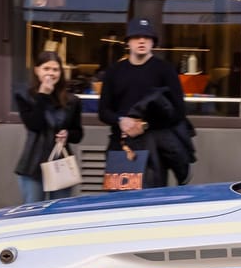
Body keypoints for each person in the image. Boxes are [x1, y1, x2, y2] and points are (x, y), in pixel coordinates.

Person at [96, 17, 186, 188]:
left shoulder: (165, 70)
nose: (142, 40)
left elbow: (179, 112)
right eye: (136, 37)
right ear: (128, 42)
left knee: (152, 205)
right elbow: (103, 111)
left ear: (153, 42)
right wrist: (121, 121)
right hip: (121, 147)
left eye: (147, 37)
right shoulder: (114, 71)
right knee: (118, 203)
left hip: (155, 148)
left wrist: (145, 125)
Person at [12, 51, 83, 205]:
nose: (51, 73)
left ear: (61, 73)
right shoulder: (24, 96)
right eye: (46, 68)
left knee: (60, 212)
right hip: (33, 165)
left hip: (60, 165)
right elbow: (34, 126)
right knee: (33, 212)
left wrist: (68, 134)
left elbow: (78, 134)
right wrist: (43, 95)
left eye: (55, 69)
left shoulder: (72, 101)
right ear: (37, 70)